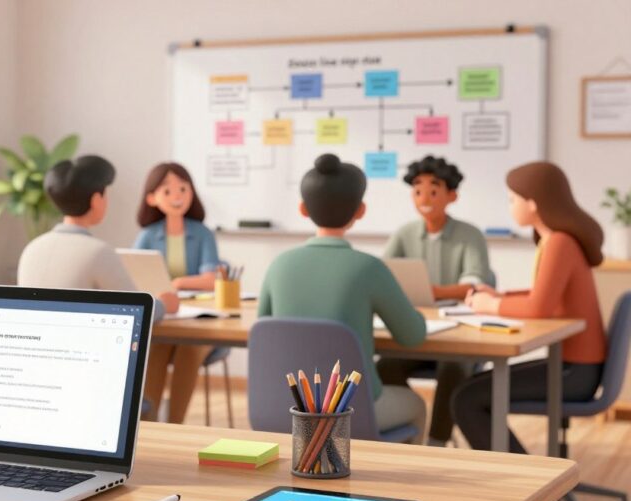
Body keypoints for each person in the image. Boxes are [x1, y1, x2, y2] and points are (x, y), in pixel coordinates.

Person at [258, 154, 428, 440]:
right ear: (360, 211)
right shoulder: (368, 267)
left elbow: (263, 333)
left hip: (286, 408)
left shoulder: (279, 265)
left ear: (302, 209)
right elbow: (412, 335)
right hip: (354, 409)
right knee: (417, 404)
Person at [453, 162, 607, 454]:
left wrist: (492, 304)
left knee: (467, 398)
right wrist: (501, 295)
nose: (510, 206)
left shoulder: (560, 242)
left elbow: (539, 307)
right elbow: (544, 295)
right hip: (573, 364)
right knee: (468, 391)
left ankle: (526, 484)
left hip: (576, 373)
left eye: (513, 199)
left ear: (533, 204)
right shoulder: (554, 240)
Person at [17, 155, 180, 366]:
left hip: (38, 369)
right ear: (96, 200)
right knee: (144, 395)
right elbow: (138, 311)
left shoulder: (32, 249)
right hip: (84, 371)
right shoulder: (97, 252)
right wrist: (165, 303)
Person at [378, 155, 494, 446]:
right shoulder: (405, 234)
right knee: (385, 366)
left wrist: (434, 291)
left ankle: (437, 440)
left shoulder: (470, 235)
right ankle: (411, 425)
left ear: (451, 195)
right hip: (417, 331)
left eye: (433, 190)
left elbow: (476, 282)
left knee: (452, 367)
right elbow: (383, 272)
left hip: (458, 333)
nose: (424, 197)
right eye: (417, 191)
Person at [133, 162, 221, 423]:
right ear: (151, 198)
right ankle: (148, 425)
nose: (177, 196)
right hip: (166, 319)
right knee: (157, 347)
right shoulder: (147, 235)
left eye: (183, 189)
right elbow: (134, 273)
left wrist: (179, 284)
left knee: (189, 349)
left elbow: (210, 280)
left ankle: (175, 423)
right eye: (167, 191)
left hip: (201, 321)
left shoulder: (203, 234)